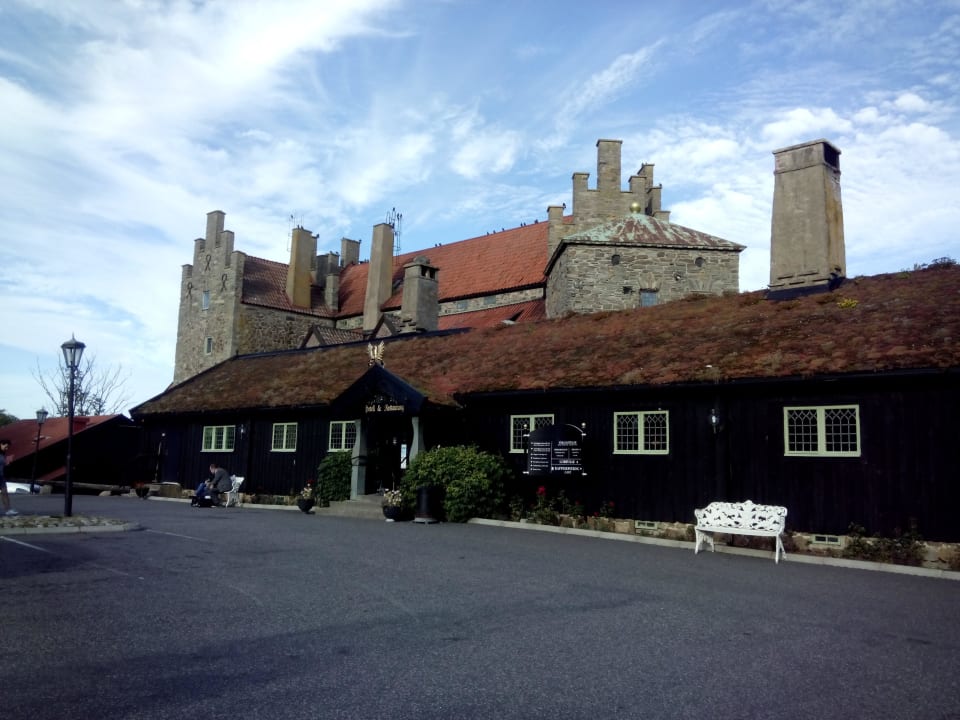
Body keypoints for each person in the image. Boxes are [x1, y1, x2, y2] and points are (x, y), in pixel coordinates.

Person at [0, 439, 17, 517]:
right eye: (5, 447)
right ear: (1, 444)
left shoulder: (2, 454)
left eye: (7, 447)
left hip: (1, 476)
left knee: (5, 493)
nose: (6, 449)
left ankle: (8, 510)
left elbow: (3, 464)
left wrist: (8, 462)